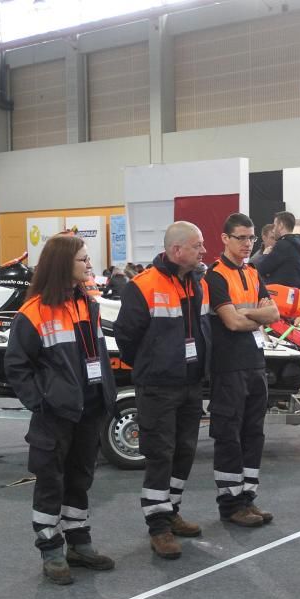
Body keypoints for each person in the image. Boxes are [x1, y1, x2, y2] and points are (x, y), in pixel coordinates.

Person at [4, 234, 118, 585]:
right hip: (56, 415)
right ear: (62, 265)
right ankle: (50, 548)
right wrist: (42, 402)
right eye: (82, 258)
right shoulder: (34, 312)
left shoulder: (89, 304)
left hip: (90, 409)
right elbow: (16, 366)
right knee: (51, 482)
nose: (88, 264)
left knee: (80, 480)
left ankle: (78, 543)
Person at [114, 221, 210, 559]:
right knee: (160, 455)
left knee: (185, 452)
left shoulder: (196, 283)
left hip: (190, 383)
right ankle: (158, 527)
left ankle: (171, 511)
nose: (204, 251)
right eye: (198, 246)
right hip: (157, 386)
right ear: (177, 250)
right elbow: (126, 338)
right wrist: (152, 364)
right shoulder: (142, 287)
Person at [204, 213, 280, 527]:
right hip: (228, 367)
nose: (247, 244)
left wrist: (247, 311)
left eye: (251, 238)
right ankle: (230, 504)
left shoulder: (252, 271)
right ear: (224, 238)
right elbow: (232, 322)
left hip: (254, 363)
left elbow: (274, 313)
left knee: (253, 434)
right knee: (229, 436)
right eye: (241, 237)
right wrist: (254, 315)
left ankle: (248, 498)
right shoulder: (216, 276)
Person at [255, 211, 300, 289]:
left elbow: (262, 269)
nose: (273, 230)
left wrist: (265, 255)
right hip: (293, 296)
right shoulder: (298, 245)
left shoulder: (283, 245)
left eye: (274, 225)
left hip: (281, 296)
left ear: (280, 226)